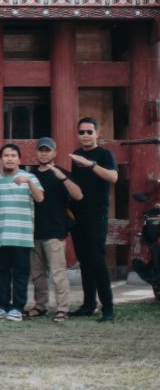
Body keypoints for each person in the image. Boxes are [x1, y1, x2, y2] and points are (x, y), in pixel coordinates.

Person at [68, 117, 119, 323]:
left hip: (97, 214)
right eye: (82, 132)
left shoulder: (105, 154)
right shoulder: (77, 156)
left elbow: (113, 177)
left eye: (89, 132)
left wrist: (91, 165)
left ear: (98, 133)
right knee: (85, 261)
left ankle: (108, 308)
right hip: (78, 214)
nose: (86, 136)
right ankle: (89, 305)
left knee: (97, 260)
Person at [28, 137, 82, 323]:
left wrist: (63, 178)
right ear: (36, 152)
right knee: (37, 274)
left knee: (58, 273)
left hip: (55, 232)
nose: (44, 153)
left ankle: (62, 308)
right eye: (41, 150)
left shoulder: (62, 173)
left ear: (54, 153)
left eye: (47, 150)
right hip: (34, 232)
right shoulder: (30, 175)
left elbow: (78, 195)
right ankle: (40, 306)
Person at [0, 143, 43, 322]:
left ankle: (18, 308)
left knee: (20, 273)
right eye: (6, 155)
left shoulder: (30, 178)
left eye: (13, 155)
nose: (9, 158)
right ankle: (3, 305)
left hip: (21, 235)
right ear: (1, 159)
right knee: (2, 273)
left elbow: (40, 198)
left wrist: (27, 182)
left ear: (19, 159)